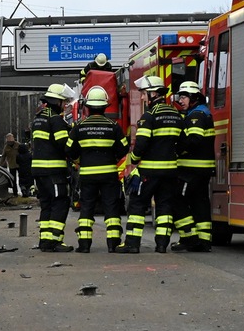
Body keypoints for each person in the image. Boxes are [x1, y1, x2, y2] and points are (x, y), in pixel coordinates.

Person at [116, 76, 183, 253]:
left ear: (153, 93)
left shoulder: (149, 117)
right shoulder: (176, 115)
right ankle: (162, 245)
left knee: (137, 204)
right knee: (165, 207)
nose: (143, 98)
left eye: (145, 94)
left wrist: (135, 159)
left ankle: (132, 244)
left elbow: (141, 144)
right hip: (170, 172)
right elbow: (182, 144)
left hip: (149, 171)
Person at [67, 86, 129, 253]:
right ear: (105, 106)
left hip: (87, 175)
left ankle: (84, 245)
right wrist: (113, 157)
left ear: (87, 106)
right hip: (109, 174)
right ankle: (113, 243)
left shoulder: (79, 126)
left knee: (86, 208)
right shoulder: (113, 126)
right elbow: (124, 148)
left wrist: (79, 159)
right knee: (111, 208)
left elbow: (69, 149)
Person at [171, 81, 216, 252]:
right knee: (200, 202)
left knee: (177, 198)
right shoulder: (203, 112)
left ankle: (189, 238)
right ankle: (204, 241)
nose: (180, 100)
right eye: (180, 97)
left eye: (183, 97)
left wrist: (178, 150)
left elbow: (194, 140)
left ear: (194, 98)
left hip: (191, 170)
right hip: (202, 170)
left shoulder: (196, 115)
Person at [31, 83, 76, 252]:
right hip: (53, 171)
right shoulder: (56, 120)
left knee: (46, 204)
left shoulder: (38, 117)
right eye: (64, 102)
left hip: (38, 170)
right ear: (57, 102)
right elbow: (64, 145)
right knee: (60, 202)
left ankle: (45, 241)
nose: (65, 106)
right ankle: (55, 241)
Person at [0, 133, 20, 197]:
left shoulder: (18, 145)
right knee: (13, 180)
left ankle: (24, 192)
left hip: (19, 164)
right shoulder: (6, 147)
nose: (10, 142)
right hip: (11, 165)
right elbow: (3, 156)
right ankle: (15, 193)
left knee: (22, 179)